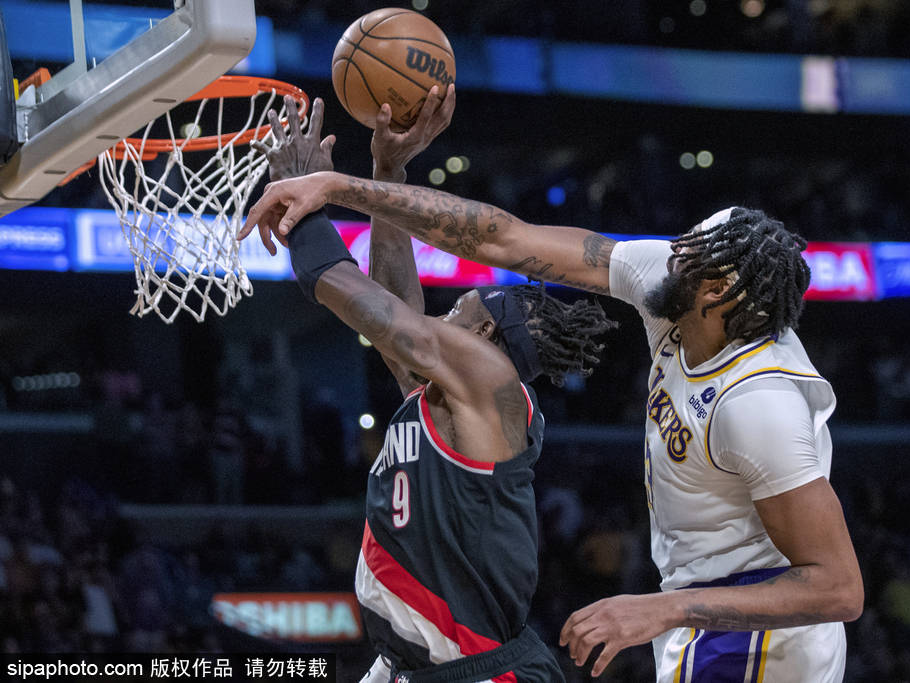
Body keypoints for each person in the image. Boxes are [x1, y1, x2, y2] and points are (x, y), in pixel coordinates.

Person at [241, 82, 863, 682]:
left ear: (718, 292)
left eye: (690, 252)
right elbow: (504, 238)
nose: (673, 251)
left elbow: (839, 587)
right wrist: (376, 179)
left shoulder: (761, 403)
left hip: (762, 631)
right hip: (692, 604)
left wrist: (662, 608)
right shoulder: (669, 290)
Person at [247, 90, 615, 682]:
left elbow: (363, 302)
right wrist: (388, 170)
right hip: (417, 663)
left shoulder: (488, 381)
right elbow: (396, 305)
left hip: (477, 669)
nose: (442, 315)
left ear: (485, 335)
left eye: (460, 308)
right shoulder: (447, 399)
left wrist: (306, 213)